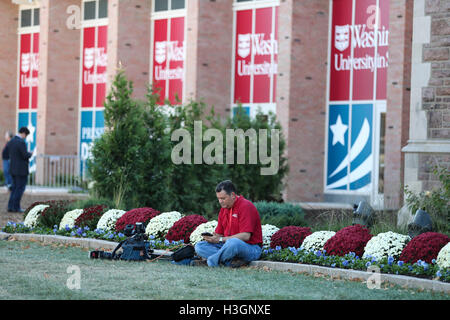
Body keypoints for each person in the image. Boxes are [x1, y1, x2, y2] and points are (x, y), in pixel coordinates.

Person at [193, 180, 263, 267]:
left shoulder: (245, 206)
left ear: (233, 195)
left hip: (251, 248)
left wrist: (221, 239)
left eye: (223, 198)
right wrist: (213, 238)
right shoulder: (224, 209)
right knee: (200, 246)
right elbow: (219, 234)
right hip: (228, 246)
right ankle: (229, 261)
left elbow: (246, 236)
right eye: (218, 198)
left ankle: (212, 261)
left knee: (233, 243)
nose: (220, 201)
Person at [7, 127, 32, 213]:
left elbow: (7, 153)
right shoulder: (21, 142)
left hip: (13, 168)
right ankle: (16, 207)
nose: (25, 137)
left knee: (14, 188)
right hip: (21, 170)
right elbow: (25, 155)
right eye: (26, 135)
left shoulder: (11, 141)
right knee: (20, 188)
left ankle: (10, 206)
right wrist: (30, 153)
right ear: (24, 133)